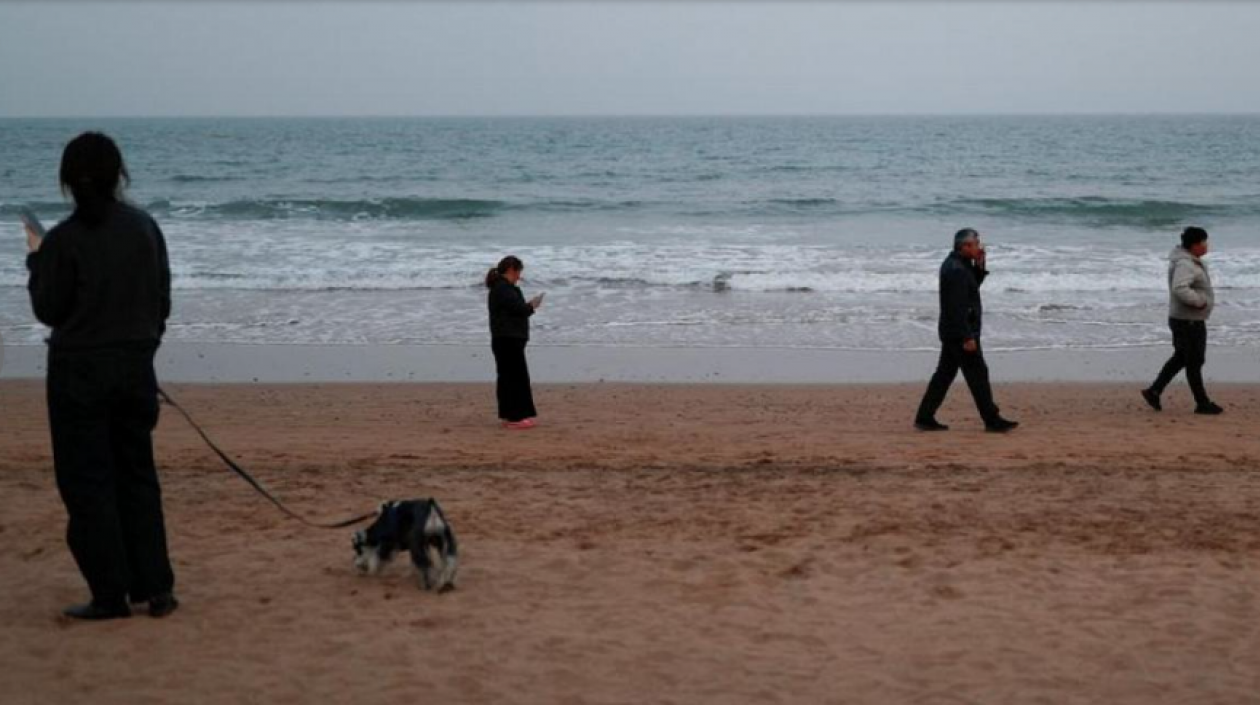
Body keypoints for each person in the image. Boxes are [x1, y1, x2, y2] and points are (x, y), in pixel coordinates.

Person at [24, 132, 178, 620]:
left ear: (68, 181)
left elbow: (49, 310)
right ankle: (155, 588)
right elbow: (162, 303)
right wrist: (143, 346)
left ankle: (110, 594)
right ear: (119, 175)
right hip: (134, 369)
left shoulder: (65, 240)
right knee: (137, 476)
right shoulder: (144, 228)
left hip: (78, 374)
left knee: (89, 483)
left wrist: (35, 260)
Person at [914, 228, 1019, 433]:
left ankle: (924, 417)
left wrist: (980, 266)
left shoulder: (960, 265)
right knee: (978, 374)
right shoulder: (956, 270)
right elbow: (957, 307)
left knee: (944, 375)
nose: (979, 247)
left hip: (953, 331)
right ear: (965, 246)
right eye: (976, 244)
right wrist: (967, 337)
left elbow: (971, 288)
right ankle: (992, 420)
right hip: (960, 333)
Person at [1141, 227, 1223, 415]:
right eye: (1204, 242)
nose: (1206, 245)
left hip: (1189, 320)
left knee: (1182, 358)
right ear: (1195, 245)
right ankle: (1202, 403)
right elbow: (1180, 288)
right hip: (1187, 321)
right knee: (1193, 361)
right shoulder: (1185, 264)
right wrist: (1199, 301)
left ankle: (1154, 391)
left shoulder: (1189, 261)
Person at [486, 256, 543, 429]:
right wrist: (532, 306)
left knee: (510, 377)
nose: (519, 276)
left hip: (506, 338)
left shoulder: (503, 288)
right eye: (518, 272)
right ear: (511, 269)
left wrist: (528, 307)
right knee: (514, 378)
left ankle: (511, 415)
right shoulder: (503, 288)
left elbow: (515, 310)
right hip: (507, 339)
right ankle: (515, 417)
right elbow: (518, 310)